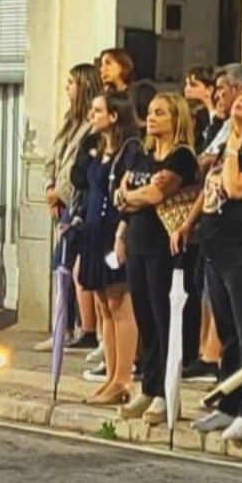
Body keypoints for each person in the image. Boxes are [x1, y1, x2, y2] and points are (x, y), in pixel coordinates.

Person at [183, 79, 242, 443]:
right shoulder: (227, 145)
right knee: (227, 333)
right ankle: (229, 400)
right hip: (216, 246)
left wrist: (235, 148)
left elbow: (237, 188)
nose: (240, 100)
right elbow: (210, 188)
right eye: (239, 95)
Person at [115, 91, 199, 425]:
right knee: (145, 319)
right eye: (150, 112)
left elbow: (155, 192)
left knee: (166, 320)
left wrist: (134, 196)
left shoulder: (181, 158)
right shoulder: (141, 154)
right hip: (138, 240)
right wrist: (132, 200)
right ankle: (148, 387)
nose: (152, 118)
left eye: (160, 113)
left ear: (176, 119)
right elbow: (121, 193)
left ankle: (168, 394)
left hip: (165, 246)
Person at [77, 91, 140, 405]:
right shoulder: (97, 148)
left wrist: (121, 234)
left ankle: (123, 379)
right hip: (93, 230)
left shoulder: (129, 151)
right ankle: (111, 375)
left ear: (115, 116)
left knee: (119, 304)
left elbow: (125, 194)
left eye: (97, 110)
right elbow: (80, 179)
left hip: (113, 231)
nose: (92, 115)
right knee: (103, 305)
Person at [37, 62, 102, 354]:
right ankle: (62, 327)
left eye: (71, 83)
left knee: (69, 265)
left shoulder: (91, 126)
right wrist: (49, 188)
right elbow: (54, 158)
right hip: (60, 200)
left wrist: (62, 193)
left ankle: (73, 327)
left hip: (75, 203)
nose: (67, 89)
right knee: (62, 266)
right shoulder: (69, 121)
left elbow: (78, 169)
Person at [184, 66, 216, 149]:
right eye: (186, 85)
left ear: (209, 89)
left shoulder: (219, 115)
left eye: (193, 85)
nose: (187, 89)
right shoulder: (185, 113)